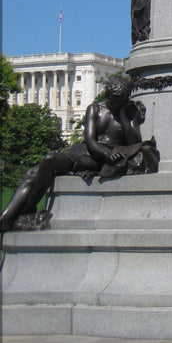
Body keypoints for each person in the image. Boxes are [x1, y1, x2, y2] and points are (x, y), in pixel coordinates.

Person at [0, 76, 159, 233]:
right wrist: (106, 153)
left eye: (121, 100)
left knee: (49, 160)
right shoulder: (95, 109)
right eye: (115, 101)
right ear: (108, 96)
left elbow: (134, 140)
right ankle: (6, 219)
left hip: (96, 159)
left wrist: (123, 115)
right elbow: (89, 140)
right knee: (32, 172)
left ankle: (26, 210)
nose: (117, 104)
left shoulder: (131, 110)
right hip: (90, 151)